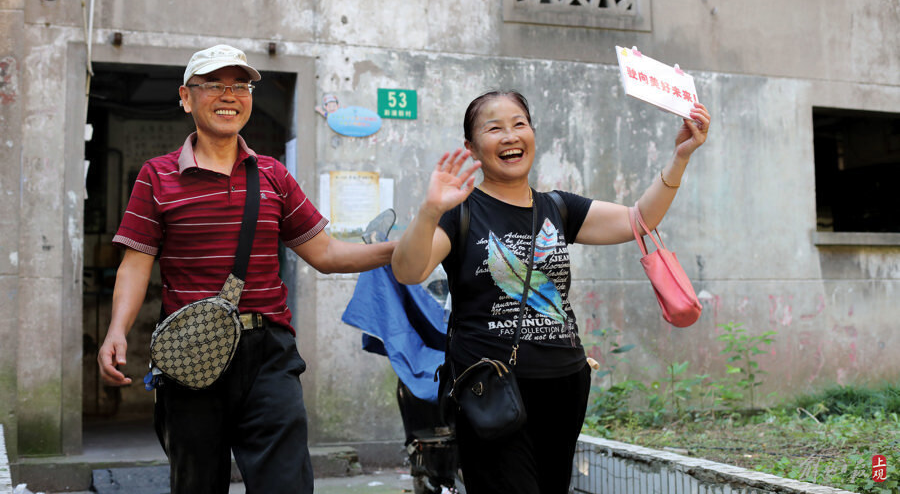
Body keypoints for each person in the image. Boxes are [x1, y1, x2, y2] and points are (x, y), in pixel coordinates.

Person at [97, 44, 395, 494]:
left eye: (240, 85)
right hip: (191, 355)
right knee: (196, 484)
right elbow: (135, 266)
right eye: (214, 84)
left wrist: (402, 249)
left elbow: (327, 254)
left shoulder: (273, 175)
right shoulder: (156, 177)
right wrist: (117, 329)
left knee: (286, 485)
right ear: (186, 96)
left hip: (268, 353)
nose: (229, 94)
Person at [391, 89, 710, 494]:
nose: (510, 136)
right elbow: (408, 270)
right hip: (490, 389)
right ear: (472, 148)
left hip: (564, 384)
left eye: (519, 124)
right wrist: (430, 210)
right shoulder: (462, 213)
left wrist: (680, 156)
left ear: (533, 134)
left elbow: (640, 218)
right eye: (494, 128)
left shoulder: (558, 208)